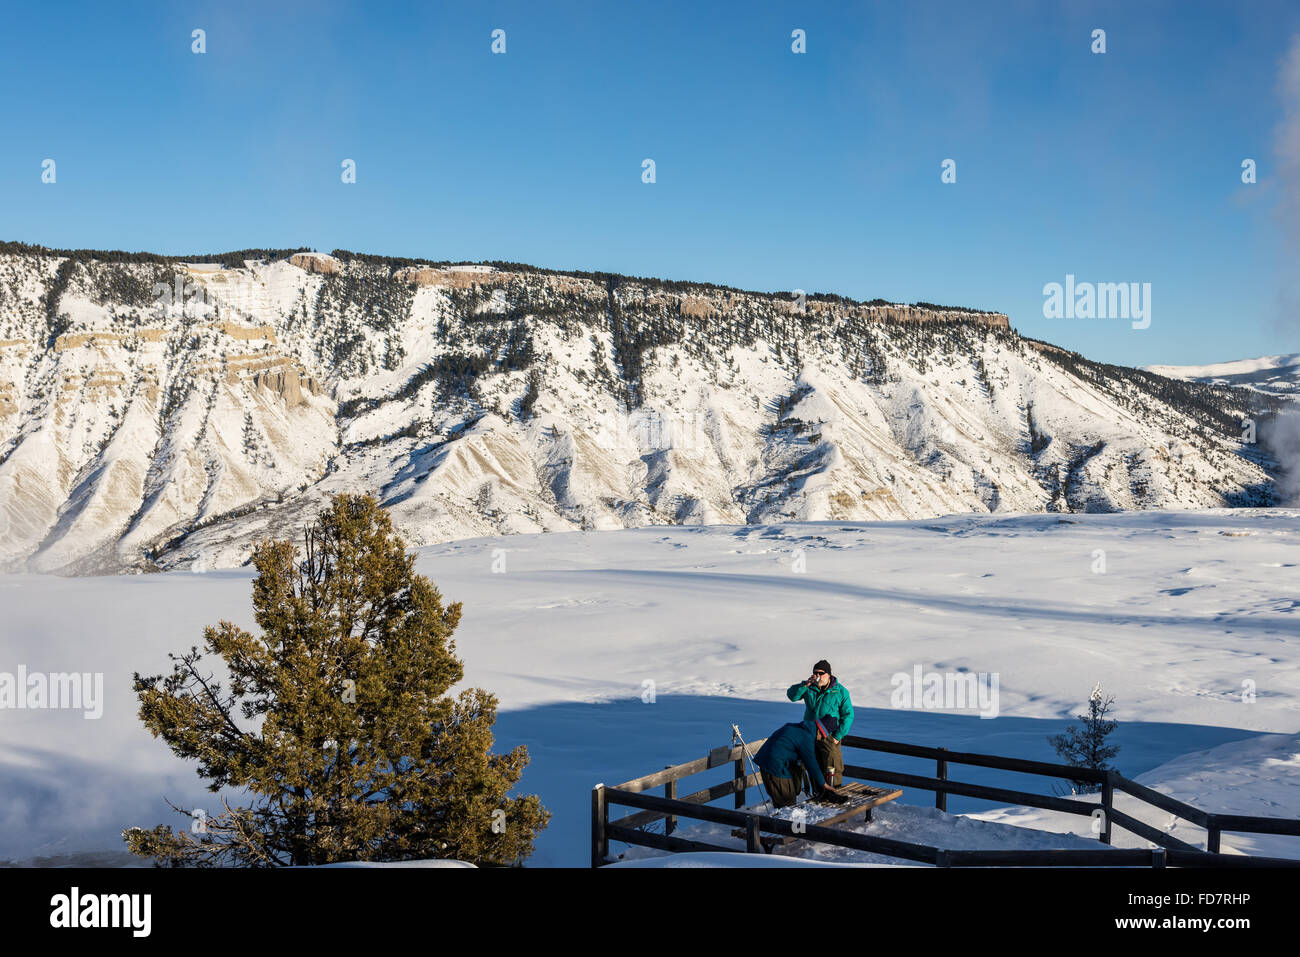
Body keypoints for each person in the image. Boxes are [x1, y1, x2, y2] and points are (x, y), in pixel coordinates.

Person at [787, 660, 854, 788]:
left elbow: (848, 715)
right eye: (815, 673)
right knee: (813, 765)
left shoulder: (840, 691)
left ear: (828, 674)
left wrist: (837, 736)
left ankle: (834, 794)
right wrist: (805, 685)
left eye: (821, 673)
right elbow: (792, 696)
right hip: (810, 733)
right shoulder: (809, 687)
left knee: (832, 766)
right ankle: (817, 796)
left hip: (829, 735)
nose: (817, 676)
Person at [754, 722, 846, 808]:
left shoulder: (799, 728)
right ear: (818, 730)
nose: (821, 739)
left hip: (770, 762)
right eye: (822, 736)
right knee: (787, 804)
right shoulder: (806, 737)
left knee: (785, 801)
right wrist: (824, 784)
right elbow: (811, 764)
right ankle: (782, 824)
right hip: (775, 766)